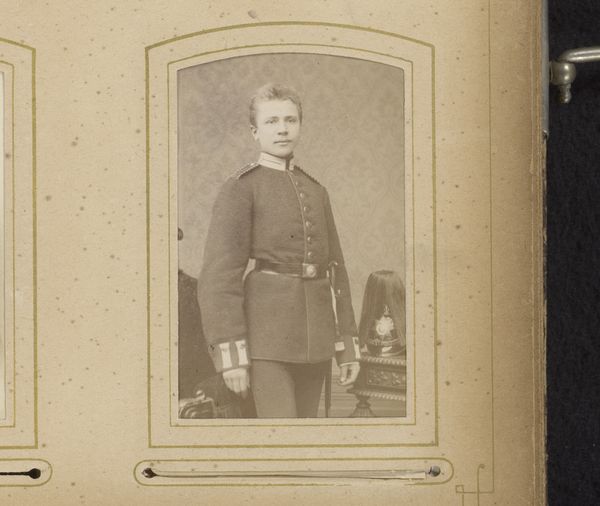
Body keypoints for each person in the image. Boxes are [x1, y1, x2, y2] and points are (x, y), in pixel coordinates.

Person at [197, 83, 360, 418]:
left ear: (300, 125)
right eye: (272, 121)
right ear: (255, 131)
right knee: (279, 433)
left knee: (305, 436)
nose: (283, 129)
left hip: (317, 339)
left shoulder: (316, 190)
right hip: (266, 339)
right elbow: (219, 277)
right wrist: (231, 357)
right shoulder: (241, 187)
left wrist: (347, 347)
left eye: (290, 120)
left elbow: (337, 270)